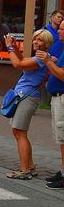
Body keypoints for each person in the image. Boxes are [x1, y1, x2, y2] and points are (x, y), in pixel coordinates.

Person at [3, 30, 52, 179]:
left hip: (27, 97)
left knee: (20, 133)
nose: (36, 42)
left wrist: (9, 47)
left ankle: (24, 171)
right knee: (19, 132)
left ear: (47, 43)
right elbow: (23, 60)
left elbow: (18, 64)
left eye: (40, 40)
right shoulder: (38, 57)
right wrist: (15, 48)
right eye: (35, 39)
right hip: (25, 96)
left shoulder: (41, 59)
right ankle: (30, 167)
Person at [36, 21, 64, 189]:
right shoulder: (61, 47)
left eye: (61, 29)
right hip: (57, 98)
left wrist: (48, 61)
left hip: (62, 98)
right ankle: (62, 171)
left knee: (63, 138)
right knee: (60, 139)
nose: (58, 31)